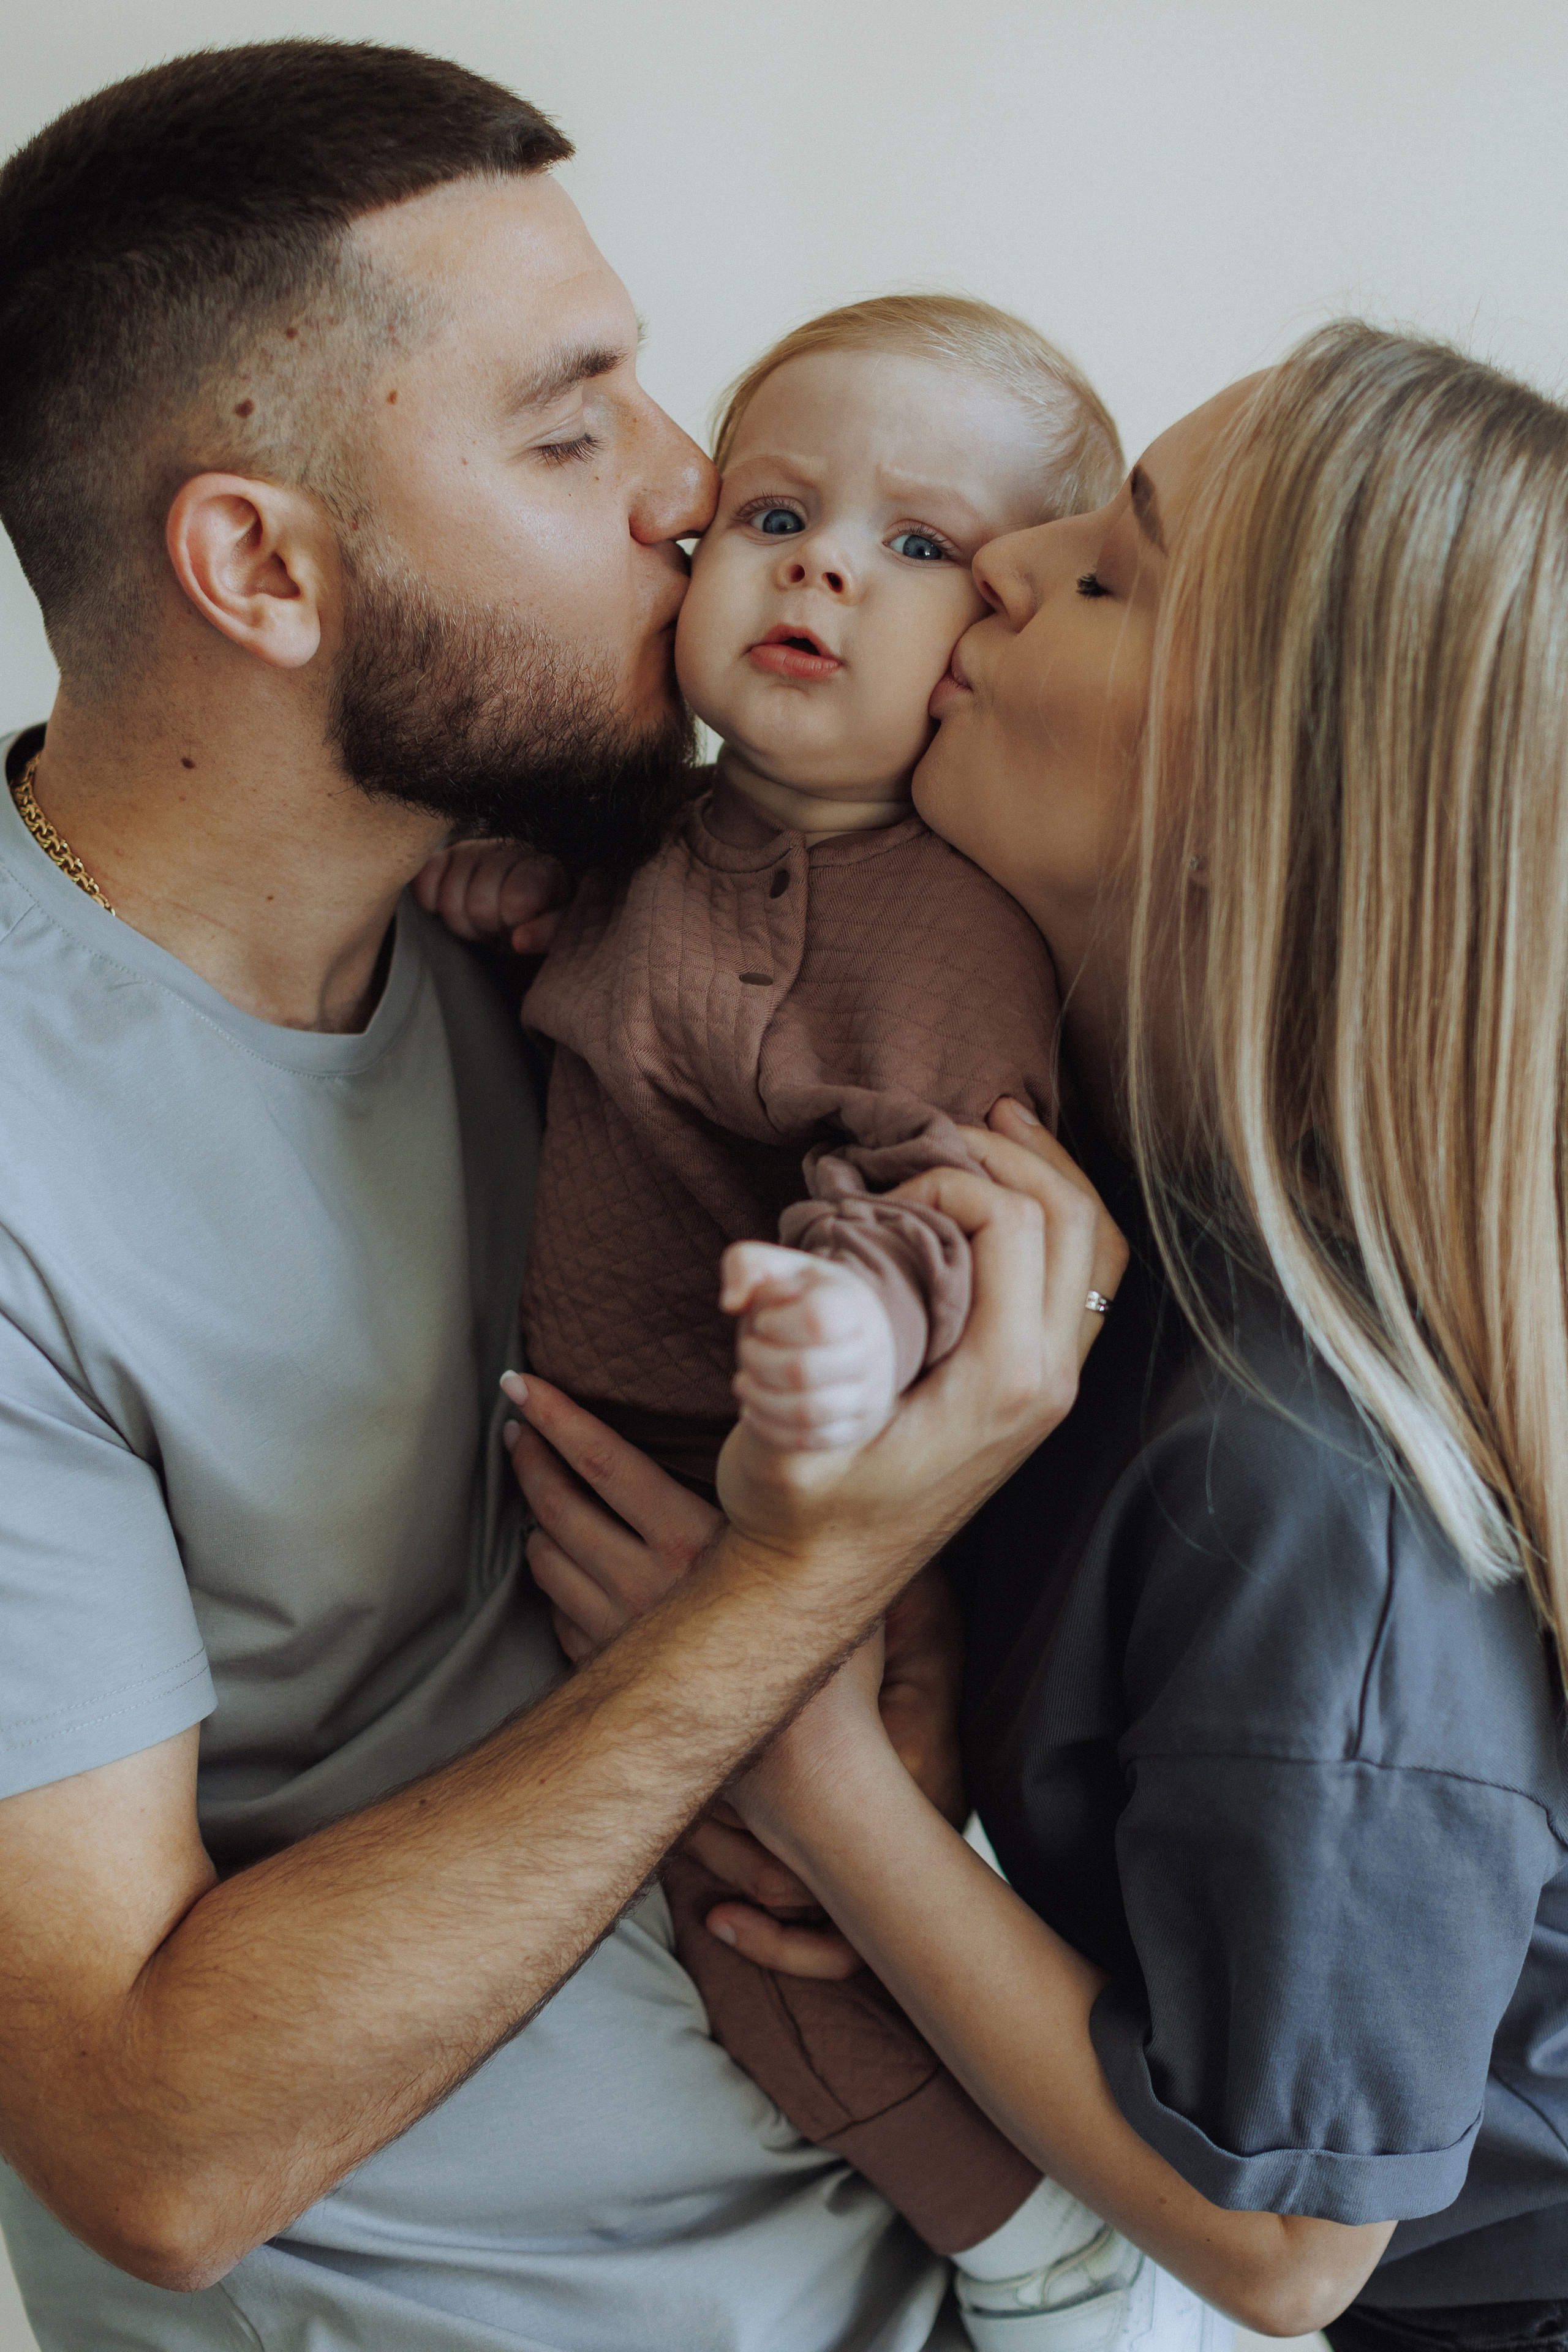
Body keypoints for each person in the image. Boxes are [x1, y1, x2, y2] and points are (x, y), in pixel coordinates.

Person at [0, 42, 1122, 2352]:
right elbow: (149, 2152)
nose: (696, 493)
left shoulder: (580, 882)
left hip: (939, 2247)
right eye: (567, 424)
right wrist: (792, 1611)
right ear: (257, 569)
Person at [507, 323, 1568, 2352]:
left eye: (1108, 571)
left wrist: (810, 1773)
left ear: (1252, 791)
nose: (995, 560)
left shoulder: (1309, 1496)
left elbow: (1290, 2253)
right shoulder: (1075, 1161)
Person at [424, 295, 1227, 2352]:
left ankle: (1024, 2241)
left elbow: (954, 1193)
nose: (824, 568)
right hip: (607, 1497)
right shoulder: (655, 826)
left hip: (789, 1495)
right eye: (775, 512)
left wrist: (848, 1343)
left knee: (776, 1937)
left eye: (919, 546)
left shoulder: (939, 931)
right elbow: (625, 950)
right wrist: (521, 885)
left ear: (986, 657)